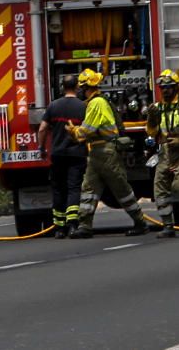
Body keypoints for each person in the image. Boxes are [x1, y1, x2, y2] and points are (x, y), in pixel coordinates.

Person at [68, 68, 149, 239]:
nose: (79, 91)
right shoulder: (94, 102)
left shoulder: (97, 103)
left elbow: (89, 129)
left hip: (106, 152)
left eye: (81, 87)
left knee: (121, 189)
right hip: (97, 152)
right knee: (89, 189)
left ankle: (140, 222)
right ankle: (85, 226)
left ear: (85, 88)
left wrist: (74, 132)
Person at [145, 68, 179, 239]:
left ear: (176, 87)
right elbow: (152, 132)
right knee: (160, 190)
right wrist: (151, 121)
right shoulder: (157, 107)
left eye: (169, 87)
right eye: (163, 88)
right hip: (164, 152)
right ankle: (168, 225)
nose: (165, 90)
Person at [38, 75, 87, 239]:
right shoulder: (83, 107)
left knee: (58, 189)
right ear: (77, 87)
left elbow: (43, 129)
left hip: (57, 154)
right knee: (74, 188)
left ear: (62, 87)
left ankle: (59, 228)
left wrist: (41, 147)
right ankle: (72, 225)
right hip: (77, 154)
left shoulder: (53, 106)